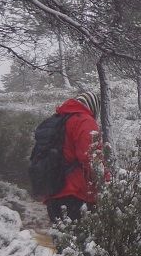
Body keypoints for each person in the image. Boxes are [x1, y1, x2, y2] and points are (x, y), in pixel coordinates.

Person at [44, 91, 103, 224]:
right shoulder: (85, 120)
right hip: (75, 195)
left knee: (64, 242)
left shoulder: (58, 120)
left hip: (53, 194)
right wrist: (107, 185)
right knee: (82, 243)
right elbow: (91, 159)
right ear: (93, 107)